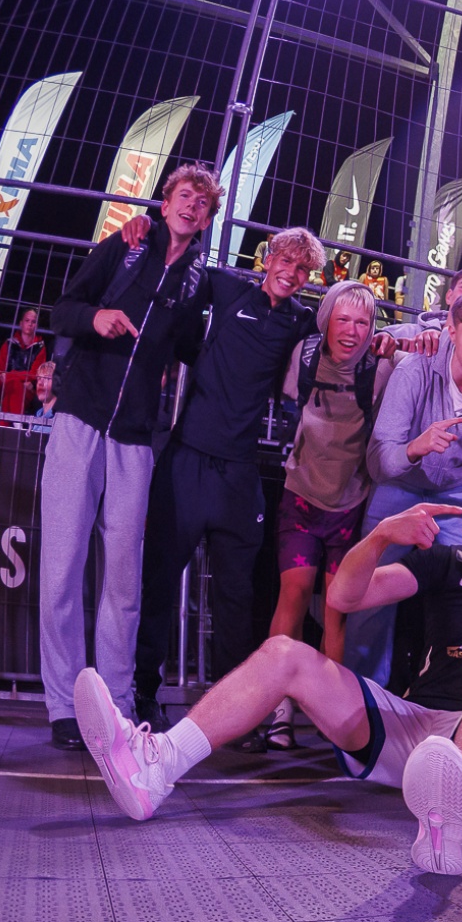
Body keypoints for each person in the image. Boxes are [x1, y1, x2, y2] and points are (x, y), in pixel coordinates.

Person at [76, 464, 462, 874]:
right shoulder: (449, 563)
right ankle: (156, 766)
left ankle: (460, 803)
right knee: (283, 652)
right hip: (414, 730)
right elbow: (345, 597)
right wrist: (380, 536)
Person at [38, 164, 219, 750]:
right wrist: (95, 318)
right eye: (185, 196)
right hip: (78, 421)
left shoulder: (198, 281)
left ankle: (114, 707)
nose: (192, 207)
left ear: (208, 219)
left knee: (123, 581)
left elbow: (192, 347)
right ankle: (64, 705)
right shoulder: (125, 244)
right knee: (62, 569)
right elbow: (62, 309)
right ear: (165, 203)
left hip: (136, 439)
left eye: (203, 204)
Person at [130, 226, 323, 730]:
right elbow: (178, 286)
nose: (291, 274)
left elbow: (352, 331)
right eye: (285, 261)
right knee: (158, 584)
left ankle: (233, 713)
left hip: (239, 472)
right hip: (187, 460)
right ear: (268, 259)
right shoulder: (226, 287)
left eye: (303, 269)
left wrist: (392, 339)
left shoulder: (302, 320)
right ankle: (143, 694)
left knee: (236, 597)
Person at [344, 283, 462, 686]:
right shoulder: (415, 369)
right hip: (400, 485)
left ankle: (458, 692)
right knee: (370, 592)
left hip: (458, 494)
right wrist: (416, 447)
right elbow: (379, 462)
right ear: (451, 330)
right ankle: (361, 697)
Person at [267, 280, 392, 710]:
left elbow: (427, 343)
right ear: (326, 321)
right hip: (300, 497)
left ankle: (329, 712)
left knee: (337, 612)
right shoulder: (303, 356)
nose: (352, 331)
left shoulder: (381, 369)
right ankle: (279, 709)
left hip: (350, 506)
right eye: (343, 319)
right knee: (293, 596)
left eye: (362, 322)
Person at [0, 309, 45, 415]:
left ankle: (6, 423)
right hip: (7, 387)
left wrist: (9, 376)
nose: (30, 324)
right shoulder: (8, 344)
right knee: (13, 386)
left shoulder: (40, 347)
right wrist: (14, 380)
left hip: (28, 389)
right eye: (27, 320)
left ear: (36, 325)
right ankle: (16, 421)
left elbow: (35, 374)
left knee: (14, 387)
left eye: (33, 322)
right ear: (21, 323)